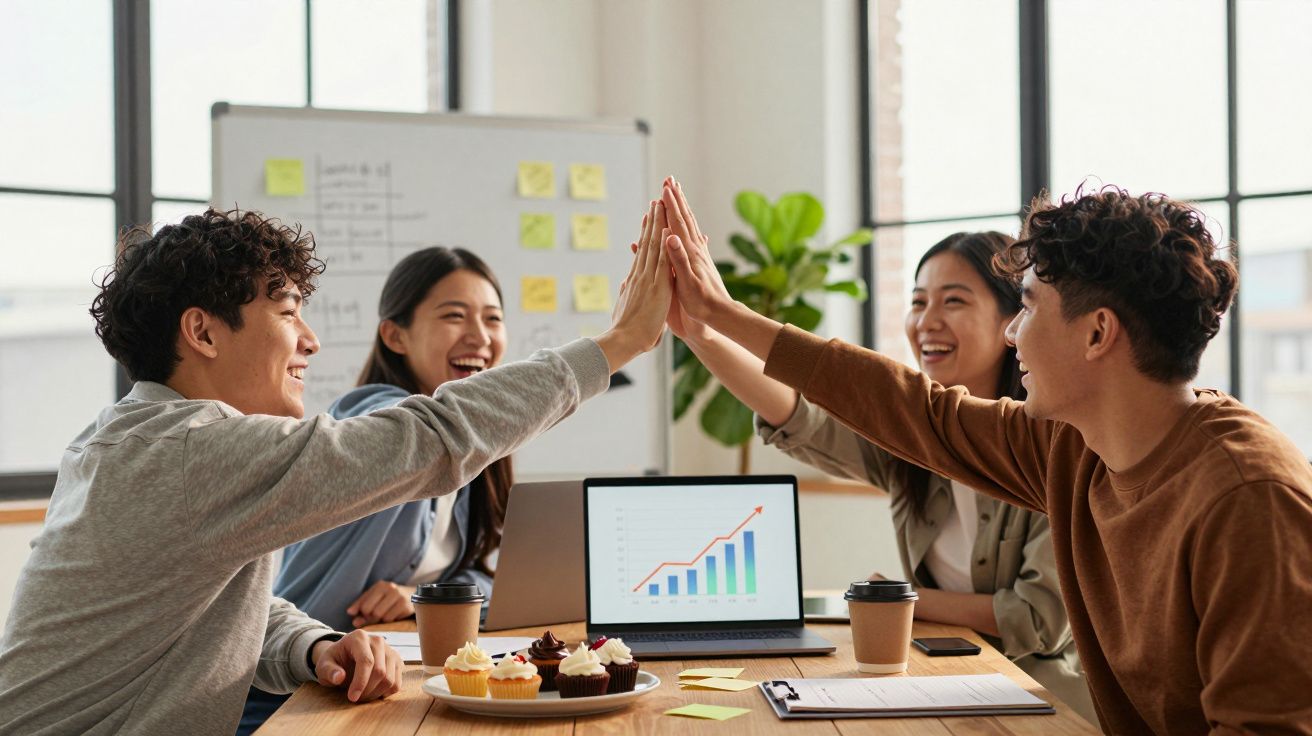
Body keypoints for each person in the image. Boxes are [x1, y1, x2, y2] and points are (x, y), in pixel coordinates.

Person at [656, 178, 1312, 734]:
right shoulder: (1073, 446)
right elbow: (907, 406)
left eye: (1027, 310)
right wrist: (718, 317)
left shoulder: (1249, 498)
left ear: (1097, 333)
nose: (1012, 333)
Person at [0, 203, 670, 735]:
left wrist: (317, 647)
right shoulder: (186, 454)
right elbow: (430, 436)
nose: (312, 341)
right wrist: (619, 343)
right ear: (202, 333)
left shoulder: (140, 443)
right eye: (289, 314)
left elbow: (205, 611)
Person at [670, 227, 1092, 719]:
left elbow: (1036, 619)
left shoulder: (1051, 446)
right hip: (946, 681)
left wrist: (901, 597)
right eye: (918, 302)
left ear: (1010, 321)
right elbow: (800, 418)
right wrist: (698, 333)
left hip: (1043, 698)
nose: (927, 322)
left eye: (953, 302)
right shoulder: (912, 445)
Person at [239, 246, 514, 732]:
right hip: (293, 697)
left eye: (492, 319)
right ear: (395, 335)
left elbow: (488, 578)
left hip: (373, 690)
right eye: (454, 316)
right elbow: (404, 434)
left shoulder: (463, 454)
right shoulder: (376, 424)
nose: (480, 336)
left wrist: (418, 595)